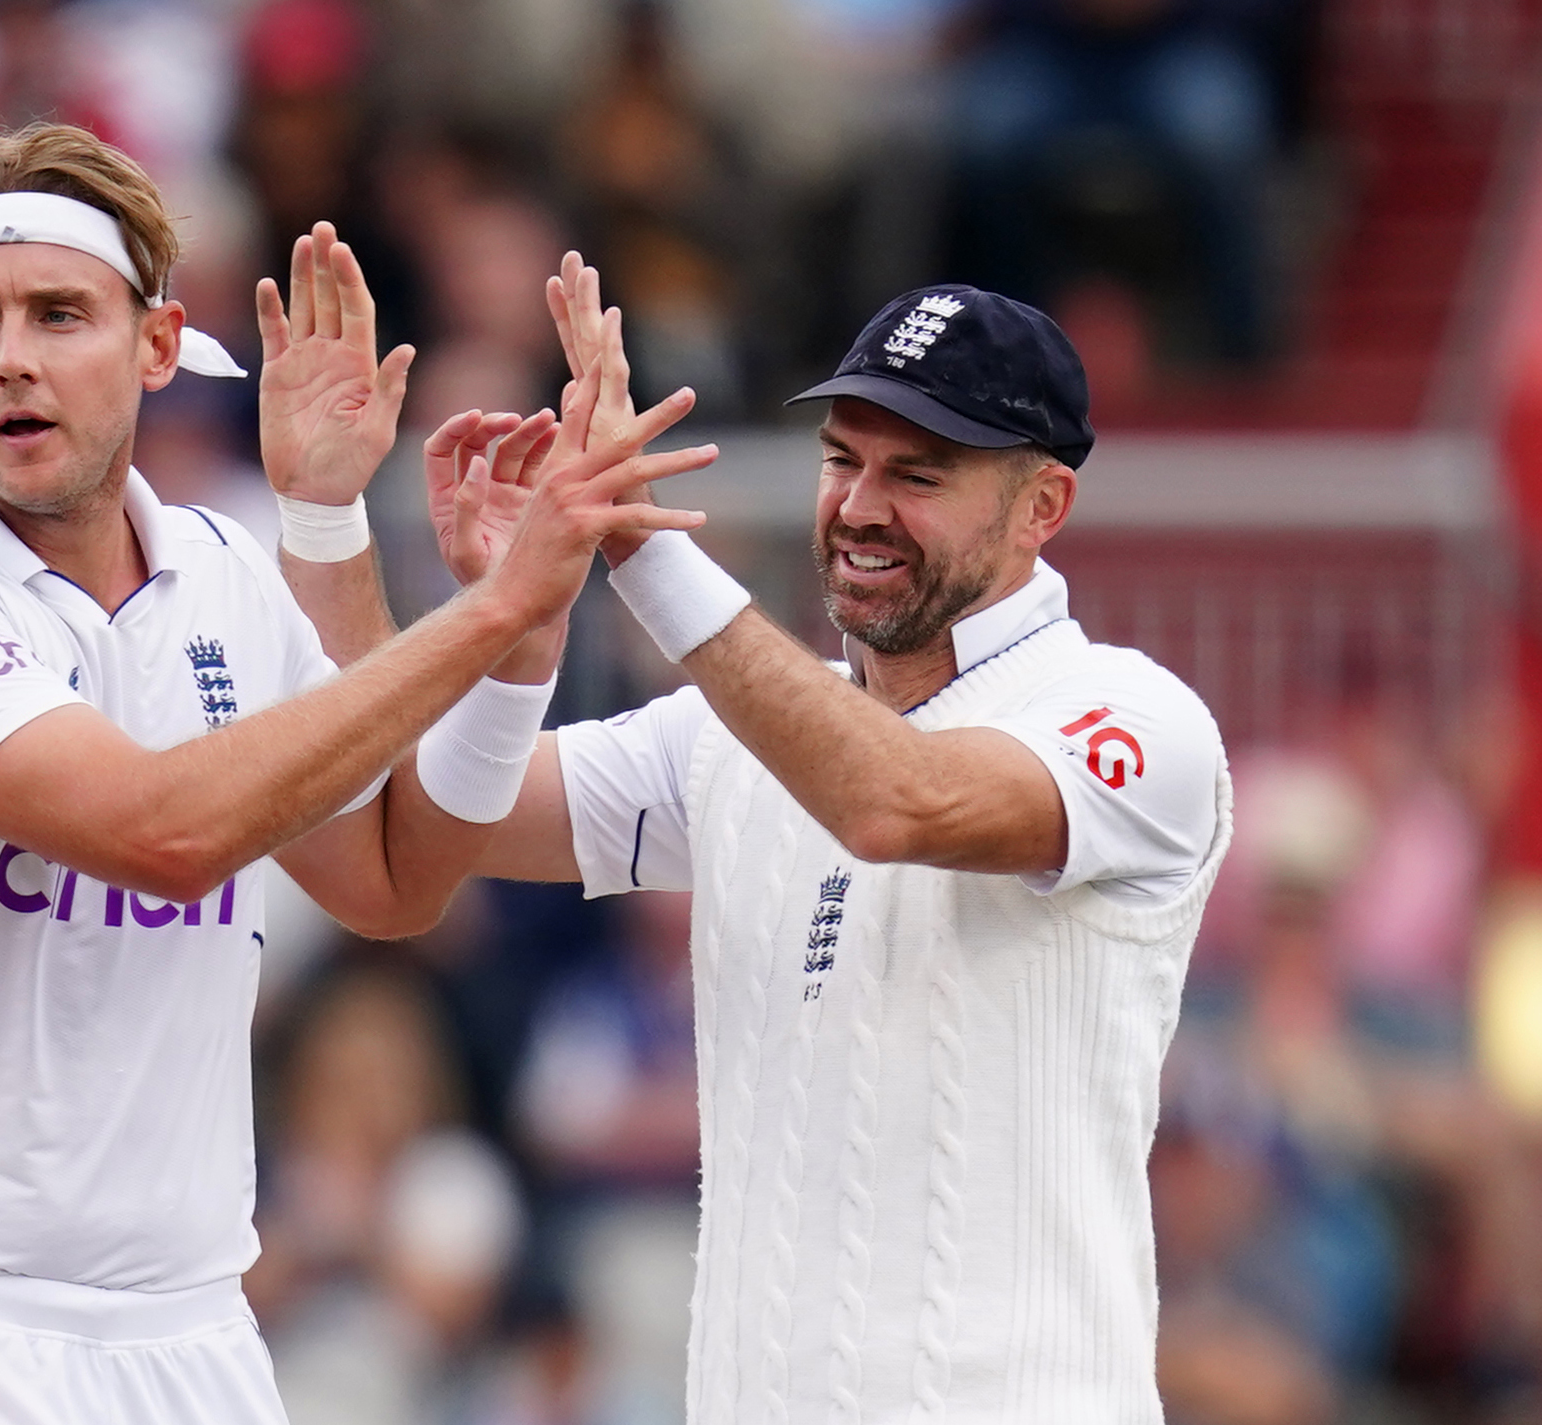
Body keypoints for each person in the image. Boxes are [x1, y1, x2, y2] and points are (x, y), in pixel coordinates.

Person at [0, 123, 715, 1424]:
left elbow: (392, 879)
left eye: (58, 313)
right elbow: (164, 834)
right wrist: (484, 616)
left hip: (188, 1327)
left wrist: (505, 627)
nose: (12, 355)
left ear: (157, 347)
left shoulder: (222, 573)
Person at [429, 261, 1233, 1421]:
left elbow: (894, 803)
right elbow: (436, 819)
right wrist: (458, 599)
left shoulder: (1139, 719)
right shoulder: (730, 733)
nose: (858, 505)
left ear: (1043, 507)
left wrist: (636, 540)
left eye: (918, 473)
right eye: (842, 459)